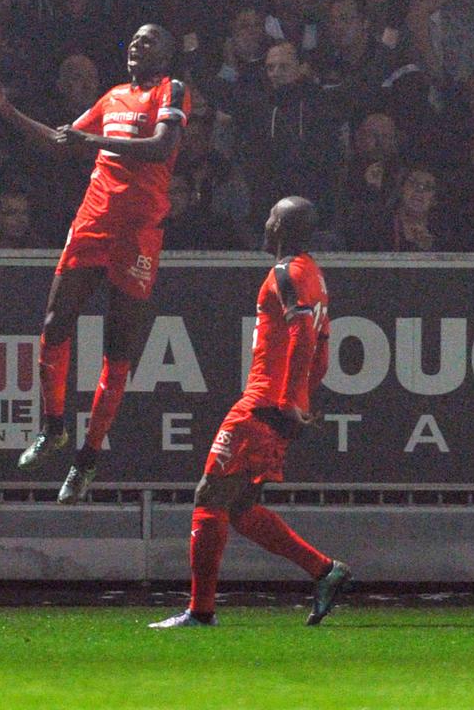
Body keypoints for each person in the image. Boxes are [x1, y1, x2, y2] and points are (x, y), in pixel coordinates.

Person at [0, 23, 189, 504]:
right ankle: (53, 428)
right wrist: (6, 111)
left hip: (137, 230)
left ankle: (87, 458)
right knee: (55, 322)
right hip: (94, 218)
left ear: (167, 54)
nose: (138, 43)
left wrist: (91, 143)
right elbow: (61, 141)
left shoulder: (170, 91)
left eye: (151, 39)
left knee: (118, 350)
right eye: (134, 37)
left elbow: (161, 147)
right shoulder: (112, 96)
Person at [149, 196, 348, 629]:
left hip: (261, 404)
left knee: (209, 496)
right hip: (280, 405)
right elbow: (323, 348)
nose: (265, 221)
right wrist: (306, 400)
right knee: (239, 506)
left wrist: (292, 401)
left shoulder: (286, 272)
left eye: (272, 215)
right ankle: (324, 570)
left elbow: (303, 338)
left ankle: (200, 613)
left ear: (282, 228)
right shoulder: (313, 273)